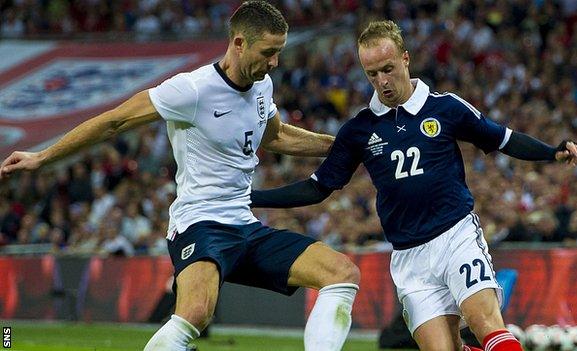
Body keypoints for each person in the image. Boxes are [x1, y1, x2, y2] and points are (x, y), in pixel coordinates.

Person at [0, 2, 361, 351]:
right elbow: (114, 121)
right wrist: (42, 157)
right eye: (268, 52)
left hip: (246, 224)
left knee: (341, 273)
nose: (274, 62)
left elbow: (277, 136)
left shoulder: (262, 87)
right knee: (196, 314)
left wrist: (342, 145)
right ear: (239, 43)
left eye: (278, 51)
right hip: (200, 222)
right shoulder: (191, 89)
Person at [251, 20, 577, 351]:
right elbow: (317, 187)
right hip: (409, 258)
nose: (382, 81)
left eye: (388, 68)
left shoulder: (444, 107)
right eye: (372, 74)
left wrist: (550, 151)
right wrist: (252, 196)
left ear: (406, 59)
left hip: (455, 235)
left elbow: (503, 139)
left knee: (487, 324)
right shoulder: (359, 129)